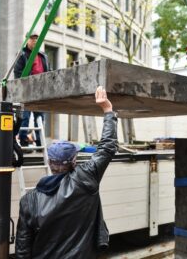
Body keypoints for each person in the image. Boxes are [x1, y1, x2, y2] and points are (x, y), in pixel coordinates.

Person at [15, 86, 118, 259]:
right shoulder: (84, 180)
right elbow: (107, 148)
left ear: (49, 162)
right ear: (73, 161)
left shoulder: (29, 201)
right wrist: (107, 110)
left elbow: (22, 248)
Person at [14, 31, 50, 147]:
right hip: (26, 91)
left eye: (36, 39)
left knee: (40, 118)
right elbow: (18, 73)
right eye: (32, 38)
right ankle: (23, 141)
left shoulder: (43, 55)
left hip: (40, 92)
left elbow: (48, 71)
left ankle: (40, 143)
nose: (35, 41)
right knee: (24, 117)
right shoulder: (22, 54)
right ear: (27, 40)